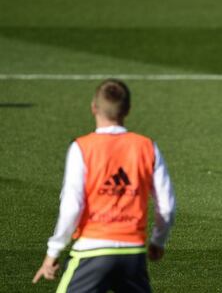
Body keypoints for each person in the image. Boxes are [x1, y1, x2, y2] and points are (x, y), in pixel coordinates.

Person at [33, 79, 176, 292]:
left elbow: (72, 206)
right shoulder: (147, 147)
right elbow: (166, 206)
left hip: (91, 251)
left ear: (93, 107)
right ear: (127, 110)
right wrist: (158, 241)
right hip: (132, 254)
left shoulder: (81, 147)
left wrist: (53, 252)